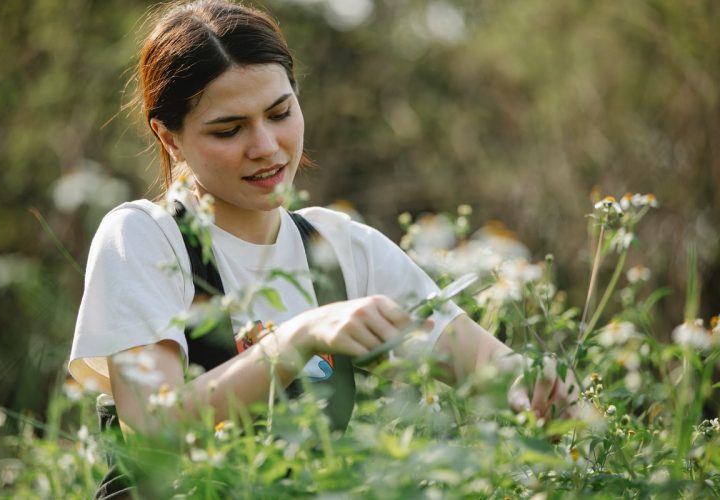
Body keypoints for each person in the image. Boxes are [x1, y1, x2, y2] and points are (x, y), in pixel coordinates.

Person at [68, 0, 576, 489]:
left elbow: (488, 368)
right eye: (229, 130)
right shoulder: (143, 239)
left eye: (280, 112)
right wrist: (298, 337)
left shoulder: (338, 247)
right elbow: (155, 433)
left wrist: (533, 385)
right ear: (169, 138)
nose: (266, 146)